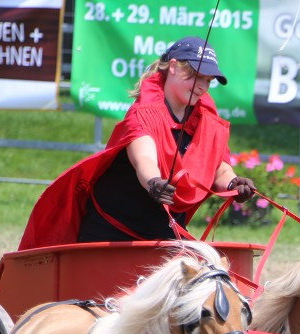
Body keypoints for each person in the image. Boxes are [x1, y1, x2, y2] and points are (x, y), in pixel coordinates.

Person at [19, 36, 255, 250]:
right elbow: (144, 158)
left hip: (163, 238)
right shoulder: (142, 114)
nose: (201, 86)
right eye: (194, 76)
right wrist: (154, 183)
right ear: (172, 67)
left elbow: (218, 167)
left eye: (207, 80)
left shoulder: (208, 123)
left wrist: (234, 183)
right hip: (111, 235)